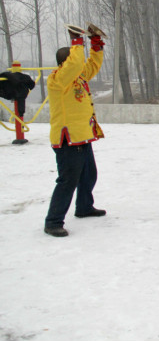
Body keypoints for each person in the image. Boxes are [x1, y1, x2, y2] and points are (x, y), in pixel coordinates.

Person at [44, 23, 107, 237]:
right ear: (67, 62)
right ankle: (53, 221)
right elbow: (76, 63)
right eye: (73, 59)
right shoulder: (58, 79)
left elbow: (93, 64)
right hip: (67, 140)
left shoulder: (78, 76)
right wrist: (77, 41)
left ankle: (84, 207)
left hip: (82, 137)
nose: (79, 64)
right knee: (67, 181)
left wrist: (96, 43)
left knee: (89, 174)